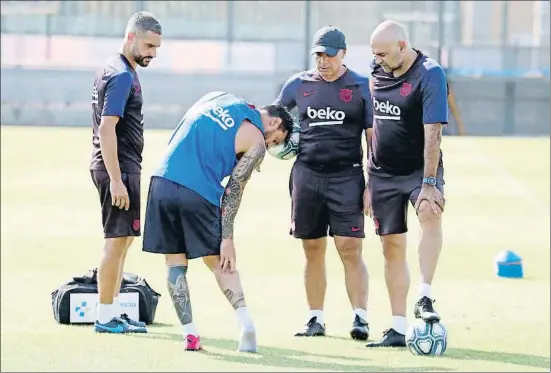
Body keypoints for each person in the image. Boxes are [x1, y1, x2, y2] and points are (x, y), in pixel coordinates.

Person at [142, 91, 295, 352]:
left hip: (162, 181)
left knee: (174, 262)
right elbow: (234, 191)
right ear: (274, 123)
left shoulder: (216, 96)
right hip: (199, 191)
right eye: (274, 141)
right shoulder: (256, 140)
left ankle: (190, 335)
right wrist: (227, 238)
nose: (268, 146)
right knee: (219, 261)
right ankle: (245, 323)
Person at [273, 26, 373, 341]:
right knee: (312, 247)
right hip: (307, 175)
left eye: (329, 54)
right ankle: (315, 318)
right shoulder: (298, 85)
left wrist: (372, 183)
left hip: (347, 175)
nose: (323, 60)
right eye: (318, 54)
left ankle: (360, 317)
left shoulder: (360, 86)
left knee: (349, 247)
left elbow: (373, 140)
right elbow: (274, 120)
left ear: (343, 53)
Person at [364, 20, 448, 348]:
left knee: (430, 211)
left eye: (383, 53)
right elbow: (371, 126)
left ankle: (424, 297)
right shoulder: (377, 69)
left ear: (402, 46)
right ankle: (398, 327)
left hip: (418, 170)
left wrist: (429, 183)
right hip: (382, 173)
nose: (378, 59)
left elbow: (434, 132)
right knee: (390, 246)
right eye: (374, 54)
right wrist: (369, 181)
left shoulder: (430, 73)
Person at [89, 11, 162, 334]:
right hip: (118, 170)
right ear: (131, 37)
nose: (152, 53)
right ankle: (105, 317)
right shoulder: (120, 75)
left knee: (124, 240)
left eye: (156, 47)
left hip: (123, 168)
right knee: (116, 242)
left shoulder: (116, 68)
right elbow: (107, 128)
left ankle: (113, 310)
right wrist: (117, 179)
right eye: (148, 45)